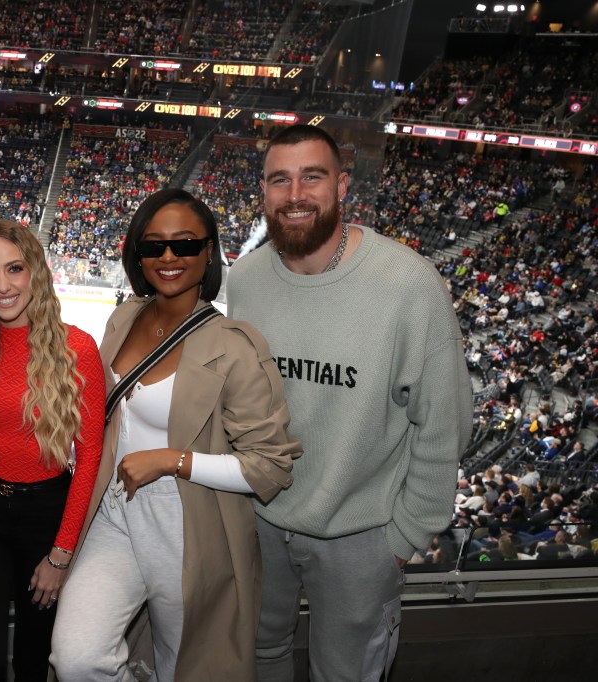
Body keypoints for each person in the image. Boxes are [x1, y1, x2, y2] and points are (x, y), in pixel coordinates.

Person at [227, 124, 473, 681]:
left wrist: (405, 537)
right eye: (279, 180)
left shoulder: (408, 284)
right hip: (260, 519)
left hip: (362, 537)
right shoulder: (245, 279)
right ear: (263, 192)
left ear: (342, 187)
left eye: (311, 178)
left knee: (346, 674)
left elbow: (443, 422)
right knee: (256, 656)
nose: (294, 195)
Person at [52, 188, 302, 680]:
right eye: (154, 246)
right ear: (136, 254)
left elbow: (270, 466)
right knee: (76, 658)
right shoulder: (124, 318)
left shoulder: (235, 346)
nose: (169, 258)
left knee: (182, 665)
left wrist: (173, 460)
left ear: (209, 251)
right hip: (115, 511)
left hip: (187, 521)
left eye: (185, 245)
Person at [0, 220, 104, 681]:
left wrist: (61, 554)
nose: (2, 285)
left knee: (35, 662)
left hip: (49, 516)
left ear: (35, 270)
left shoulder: (78, 347)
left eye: (14, 268)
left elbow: (91, 455)